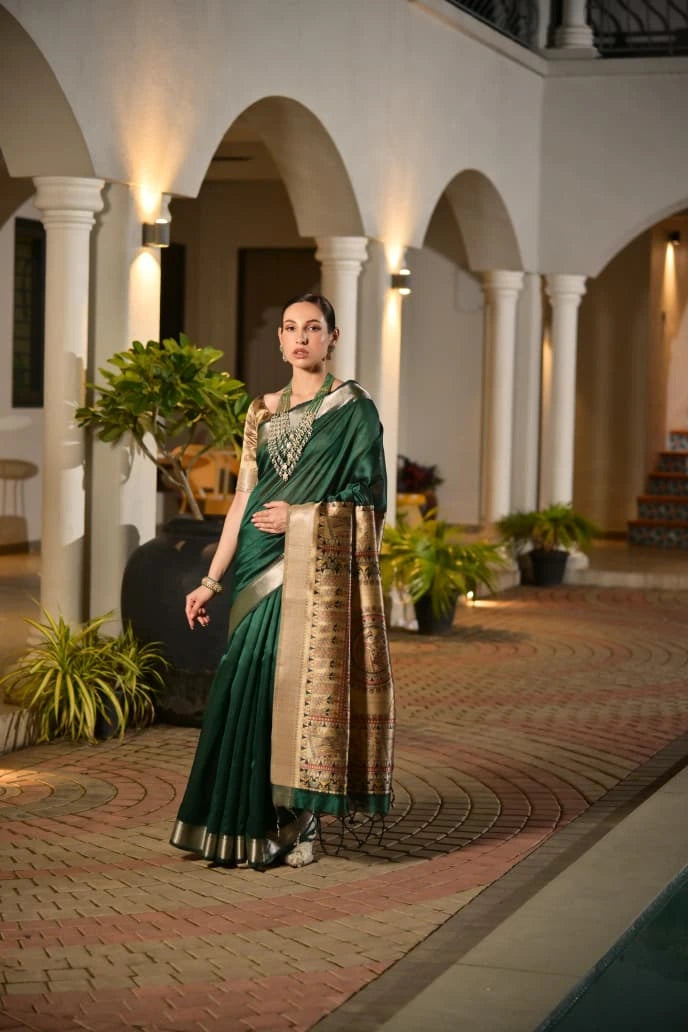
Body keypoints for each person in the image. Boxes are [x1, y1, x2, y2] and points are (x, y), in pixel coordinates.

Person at [170, 293, 394, 870]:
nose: (301, 337)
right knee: (243, 683)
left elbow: (367, 500)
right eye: (290, 327)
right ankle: (241, 822)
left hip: (308, 569)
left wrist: (298, 515)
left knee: (289, 689)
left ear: (333, 337)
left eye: (313, 328)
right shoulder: (261, 412)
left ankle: (300, 820)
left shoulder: (354, 409)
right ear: (280, 341)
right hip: (253, 563)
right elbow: (242, 499)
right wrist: (211, 581)